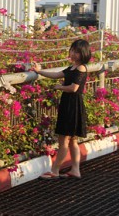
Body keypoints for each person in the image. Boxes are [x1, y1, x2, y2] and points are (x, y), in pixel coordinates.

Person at [32, 39, 91, 179]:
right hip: (69, 104)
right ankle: (75, 170)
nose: (73, 53)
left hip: (72, 104)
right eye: (73, 50)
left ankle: (55, 171)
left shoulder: (81, 68)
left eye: (77, 52)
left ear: (83, 54)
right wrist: (39, 71)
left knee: (64, 140)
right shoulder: (72, 68)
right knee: (72, 140)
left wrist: (60, 87)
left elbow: (74, 88)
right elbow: (56, 75)